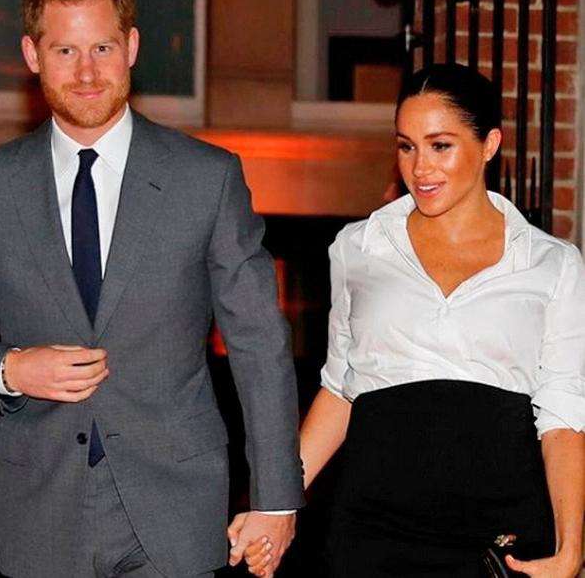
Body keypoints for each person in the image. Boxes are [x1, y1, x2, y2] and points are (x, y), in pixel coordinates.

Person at [0, 0, 304, 576]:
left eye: (102, 48)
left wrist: (276, 499)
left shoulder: (206, 178)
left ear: (132, 47)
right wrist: (11, 368)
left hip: (176, 505)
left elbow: (259, 342)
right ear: (32, 56)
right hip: (40, 505)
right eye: (65, 51)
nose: (87, 73)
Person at [237, 63, 585, 577]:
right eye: (406, 146)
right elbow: (342, 388)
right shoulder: (360, 247)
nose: (420, 168)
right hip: (373, 528)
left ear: (489, 144)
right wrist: (276, 503)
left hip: (498, 531)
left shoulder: (552, 264)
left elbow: (563, 414)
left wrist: (572, 548)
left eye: (440, 146)